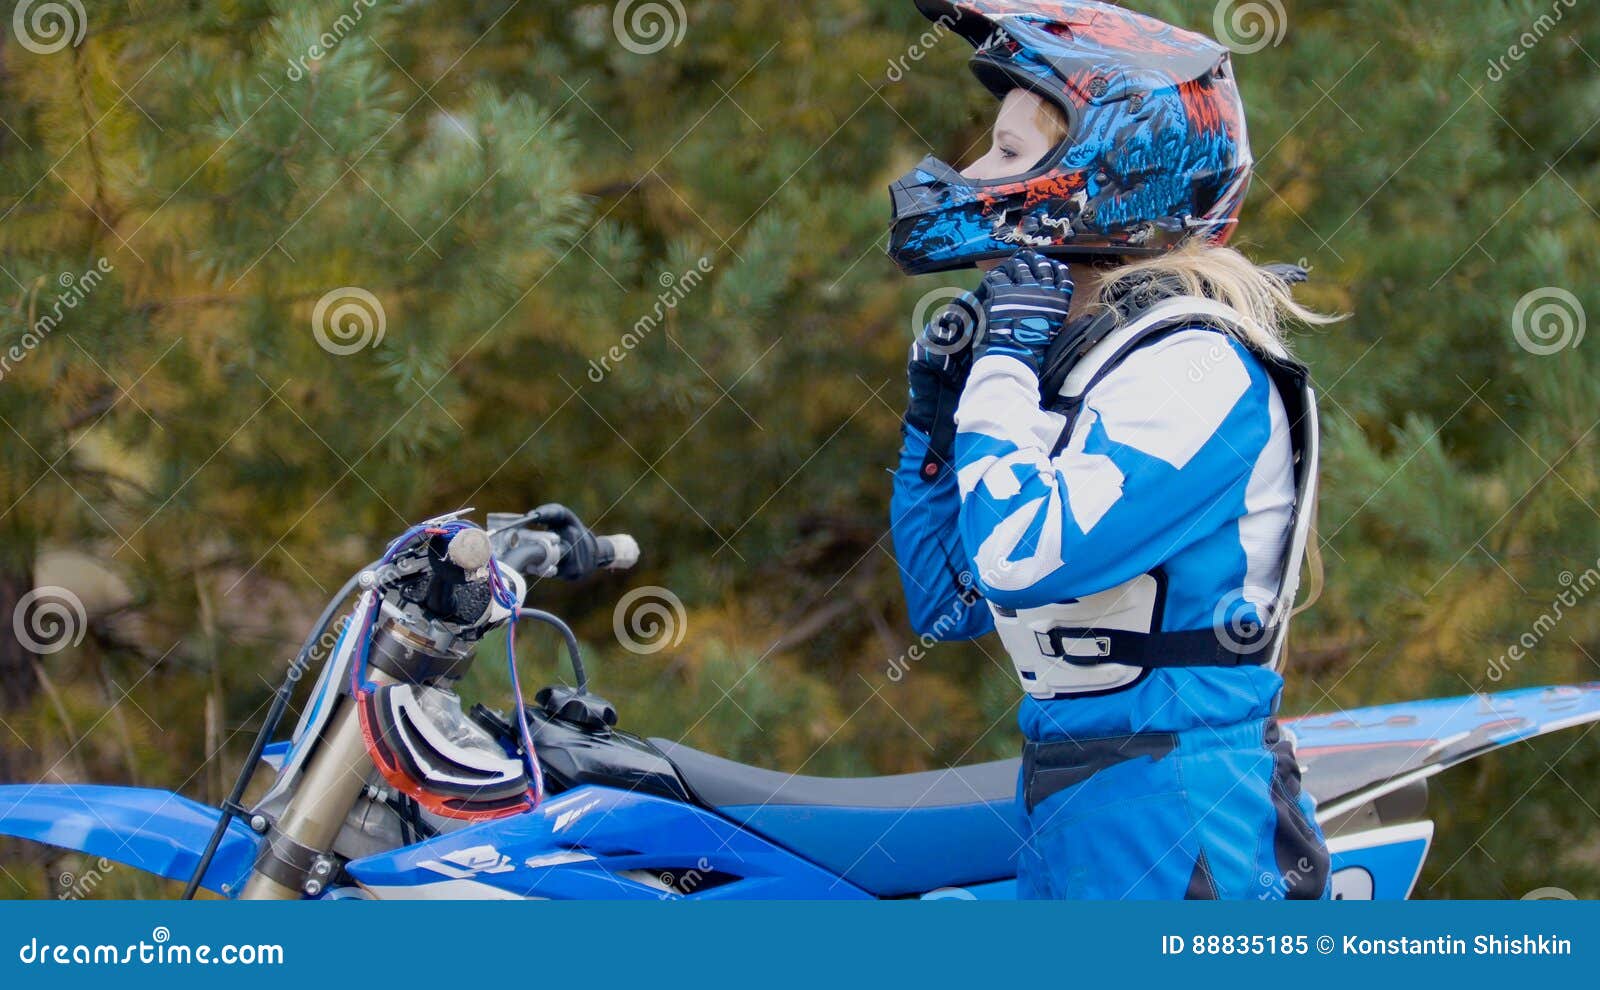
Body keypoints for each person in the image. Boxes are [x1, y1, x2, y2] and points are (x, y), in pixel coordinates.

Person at [886, 0, 1338, 899]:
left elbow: (1020, 554)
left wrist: (1004, 370)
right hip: (1074, 788)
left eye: (1011, 155)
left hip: (1177, 800)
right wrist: (933, 426)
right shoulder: (1092, 361)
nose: (975, 172)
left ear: (1109, 174)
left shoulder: (1199, 366)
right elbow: (949, 605)